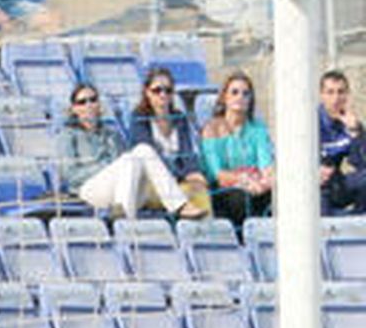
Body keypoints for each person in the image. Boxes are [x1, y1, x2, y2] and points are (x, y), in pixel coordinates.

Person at [59, 81, 206, 220]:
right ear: (74, 108)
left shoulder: (112, 133)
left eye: (93, 100)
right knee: (137, 155)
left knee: (141, 153)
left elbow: (129, 165)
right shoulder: (68, 135)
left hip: (120, 190)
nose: (89, 105)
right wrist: (106, 167)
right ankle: (179, 206)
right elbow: (70, 175)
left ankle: (124, 217)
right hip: (89, 190)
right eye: (82, 102)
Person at [126, 67, 208, 210]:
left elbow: (187, 153)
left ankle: (206, 229)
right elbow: (150, 160)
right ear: (147, 93)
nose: (163, 95)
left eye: (168, 90)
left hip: (179, 181)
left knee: (200, 189)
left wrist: (194, 173)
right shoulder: (139, 119)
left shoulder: (180, 118)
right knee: (187, 193)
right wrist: (183, 175)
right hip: (152, 183)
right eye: (157, 90)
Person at [199, 70, 274, 226]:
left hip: (256, 184)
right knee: (241, 198)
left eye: (245, 93)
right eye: (234, 92)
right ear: (225, 97)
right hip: (225, 189)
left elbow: (266, 165)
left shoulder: (258, 128)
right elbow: (218, 174)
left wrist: (264, 182)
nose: (240, 97)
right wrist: (243, 180)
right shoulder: (212, 129)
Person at [320, 69, 366, 216]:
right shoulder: (311, 122)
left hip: (338, 184)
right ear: (322, 95)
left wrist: (356, 133)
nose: (336, 98)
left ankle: (358, 223)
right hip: (315, 186)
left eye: (341, 92)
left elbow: (360, 164)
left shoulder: (350, 122)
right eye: (330, 92)